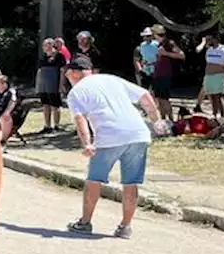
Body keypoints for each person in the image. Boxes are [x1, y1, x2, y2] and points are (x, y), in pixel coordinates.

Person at [63, 56, 161, 238]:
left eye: (68, 74)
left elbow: (80, 119)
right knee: (131, 182)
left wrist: (87, 144)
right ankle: (125, 226)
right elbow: (145, 96)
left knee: (94, 180)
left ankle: (85, 222)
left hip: (109, 136)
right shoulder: (111, 79)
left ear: (74, 73)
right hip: (138, 134)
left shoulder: (76, 92)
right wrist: (156, 122)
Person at [151, 24, 184, 119]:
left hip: (165, 75)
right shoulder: (159, 44)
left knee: (165, 99)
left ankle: (171, 120)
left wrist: (166, 53)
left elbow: (181, 55)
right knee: (159, 99)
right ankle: (163, 119)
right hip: (157, 74)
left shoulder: (168, 43)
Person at [35, 38, 65, 131]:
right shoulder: (43, 57)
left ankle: (56, 125)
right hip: (43, 86)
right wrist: (37, 86)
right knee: (45, 105)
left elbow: (62, 71)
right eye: (43, 45)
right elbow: (39, 71)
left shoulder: (59, 56)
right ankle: (47, 125)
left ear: (51, 45)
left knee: (55, 105)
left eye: (45, 45)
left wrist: (61, 85)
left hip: (54, 85)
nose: (43, 47)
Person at [199, 33, 224, 117]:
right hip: (208, 76)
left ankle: (222, 116)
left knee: (217, 97)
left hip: (218, 76)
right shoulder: (209, 49)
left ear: (215, 39)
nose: (209, 41)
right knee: (211, 96)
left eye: (210, 39)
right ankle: (214, 114)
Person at [0, 73, 16, 145]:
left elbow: (12, 102)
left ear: (4, 84)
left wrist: (7, 112)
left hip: (6, 114)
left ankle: (3, 139)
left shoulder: (10, 92)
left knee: (4, 118)